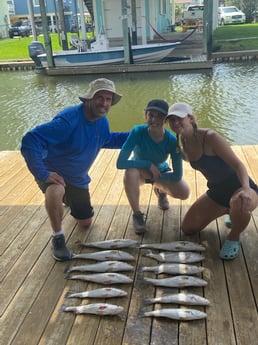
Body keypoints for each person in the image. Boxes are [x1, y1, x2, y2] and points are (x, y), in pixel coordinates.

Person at [21, 78, 129, 261]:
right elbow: (30, 140)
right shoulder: (68, 120)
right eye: (99, 97)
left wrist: (141, 135)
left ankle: (66, 199)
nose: (104, 103)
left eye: (108, 99)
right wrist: (43, 174)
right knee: (56, 191)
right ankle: (58, 237)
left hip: (78, 178)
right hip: (54, 174)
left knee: (85, 223)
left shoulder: (102, 121)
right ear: (88, 99)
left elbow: (107, 140)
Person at [167, 102, 258, 260]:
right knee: (188, 228)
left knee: (241, 202)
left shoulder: (210, 137)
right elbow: (190, 159)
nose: (175, 123)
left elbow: (238, 165)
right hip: (217, 191)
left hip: (239, 186)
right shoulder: (183, 141)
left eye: (179, 118)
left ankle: (234, 236)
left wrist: (246, 189)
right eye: (171, 120)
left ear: (190, 118)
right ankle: (230, 209)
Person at [116, 99, 189, 234]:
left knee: (184, 192)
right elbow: (120, 163)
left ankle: (161, 192)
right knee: (130, 172)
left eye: (159, 116)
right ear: (146, 116)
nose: (154, 119)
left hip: (161, 171)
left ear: (165, 120)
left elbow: (177, 175)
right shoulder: (137, 131)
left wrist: (156, 176)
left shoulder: (172, 141)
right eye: (151, 115)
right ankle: (137, 214)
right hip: (139, 170)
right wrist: (147, 164)